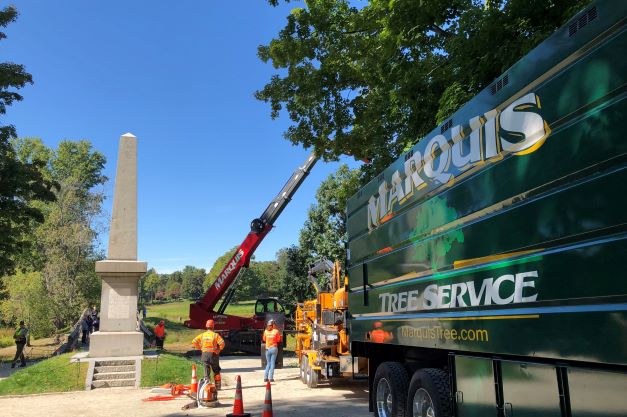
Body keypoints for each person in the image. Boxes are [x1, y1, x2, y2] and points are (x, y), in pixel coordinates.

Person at [191, 319, 225, 389]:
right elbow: (222, 343)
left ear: (206, 326)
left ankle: (207, 387)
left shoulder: (202, 335)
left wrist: (199, 347)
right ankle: (218, 386)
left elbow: (194, 342)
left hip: (205, 355)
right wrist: (218, 350)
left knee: (206, 371)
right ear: (213, 326)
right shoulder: (215, 335)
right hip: (214, 355)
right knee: (216, 371)